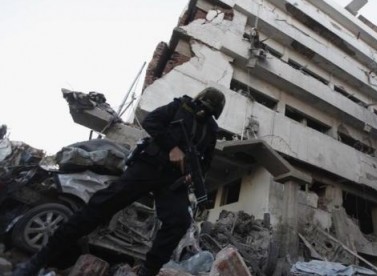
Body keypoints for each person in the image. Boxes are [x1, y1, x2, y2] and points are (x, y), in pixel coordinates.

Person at [13, 88, 226, 276]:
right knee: (100, 207)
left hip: (172, 180)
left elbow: (206, 161)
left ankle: (148, 272)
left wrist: (193, 174)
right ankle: (38, 260)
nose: (205, 113)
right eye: (205, 107)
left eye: (211, 111)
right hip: (148, 167)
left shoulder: (211, 131)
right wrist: (172, 147)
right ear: (200, 100)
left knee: (180, 221)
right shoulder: (179, 107)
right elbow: (152, 122)